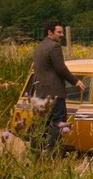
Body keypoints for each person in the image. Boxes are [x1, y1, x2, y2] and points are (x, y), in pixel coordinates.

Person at [31, 20, 84, 153]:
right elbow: (60, 68)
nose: (61, 35)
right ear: (50, 32)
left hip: (40, 91)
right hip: (55, 91)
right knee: (58, 122)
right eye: (59, 32)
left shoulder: (40, 46)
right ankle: (51, 152)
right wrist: (75, 81)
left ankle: (36, 150)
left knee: (41, 123)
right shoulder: (54, 47)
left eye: (62, 32)